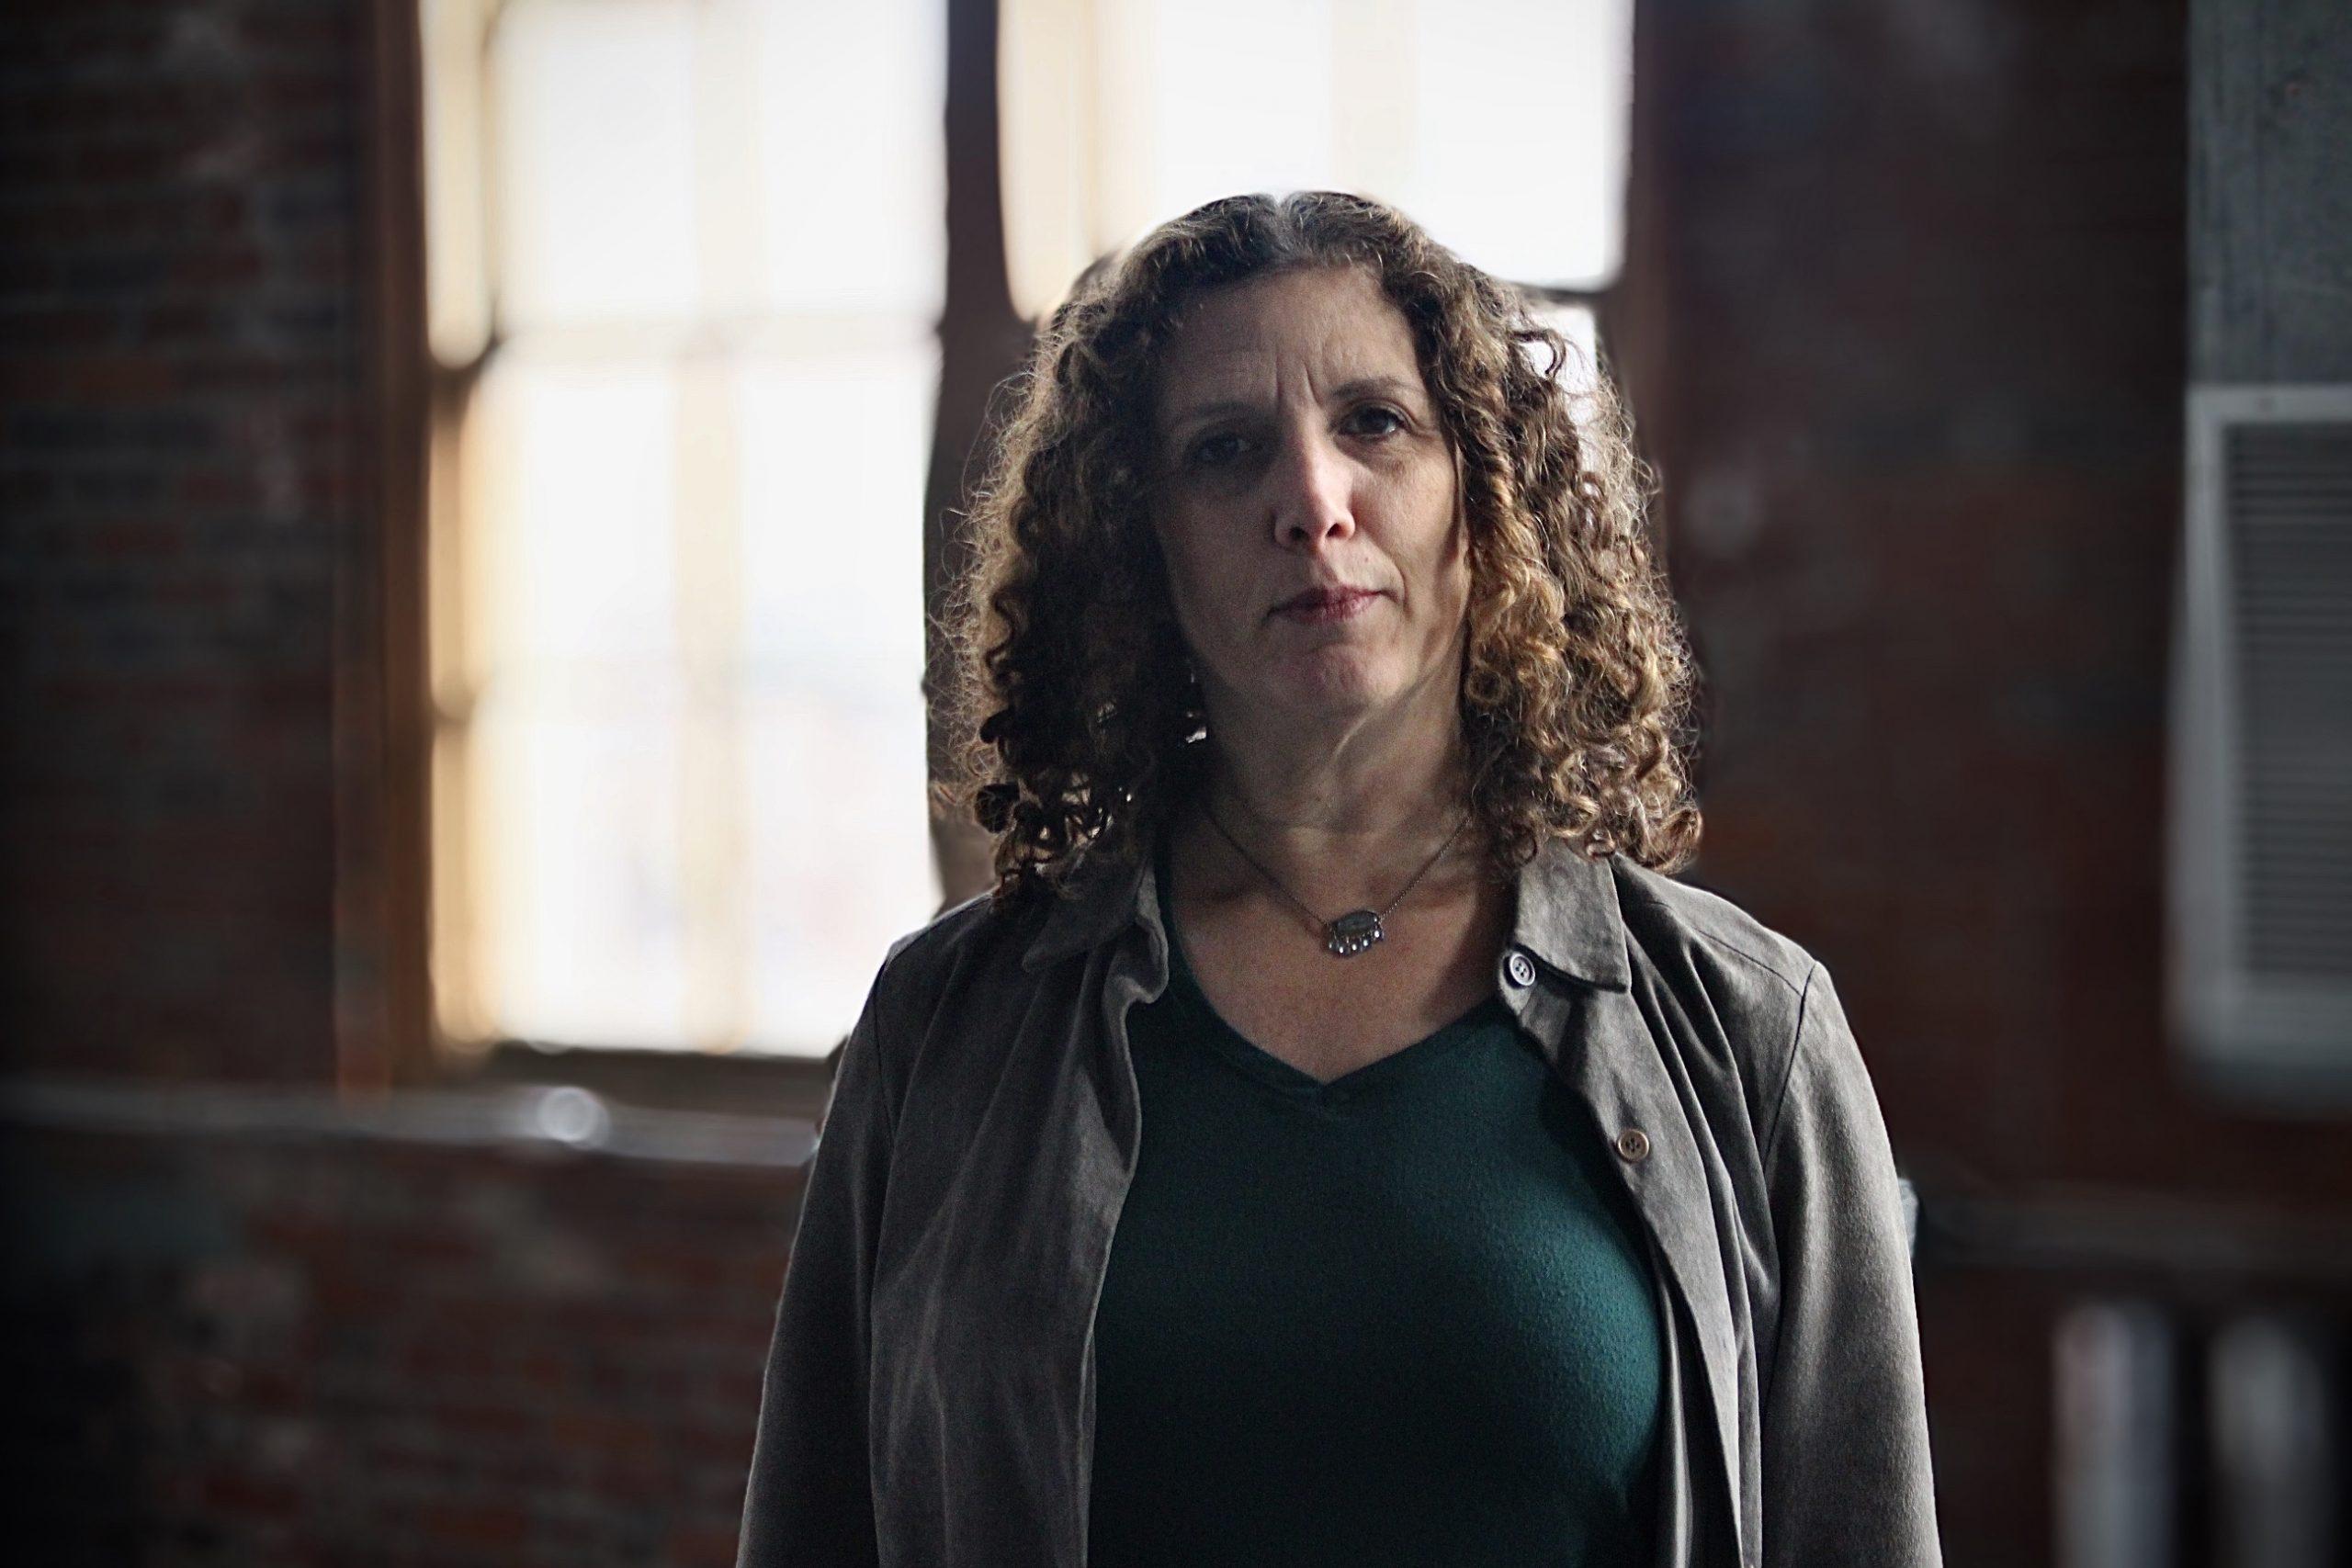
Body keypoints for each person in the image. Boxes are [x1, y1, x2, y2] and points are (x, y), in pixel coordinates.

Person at [736, 191, 1939, 1568]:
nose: (1310, 501)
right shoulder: (946, 1027)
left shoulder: (1750, 1032)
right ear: (1143, 542)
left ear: (1483, 497)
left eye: (1376, 423)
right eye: (1224, 451)